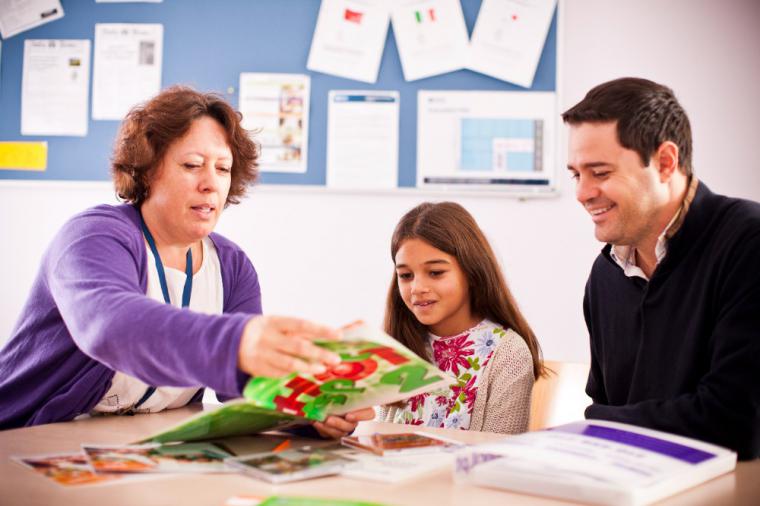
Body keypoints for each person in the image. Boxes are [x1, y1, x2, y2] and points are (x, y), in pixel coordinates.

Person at [0, 86, 373, 438]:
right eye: (193, 164)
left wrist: (311, 412)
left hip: (140, 452)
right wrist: (238, 343)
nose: (211, 183)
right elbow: (111, 327)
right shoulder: (93, 237)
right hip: (27, 438)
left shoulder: (232, 265)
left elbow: (247, 389)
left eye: (223, 169)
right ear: (146, 170)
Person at [563, 77, 760, 459]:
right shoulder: (604, 277)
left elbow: (738, 423)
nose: (582, 192)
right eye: (576, 173)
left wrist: (601, 422)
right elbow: (606, 410)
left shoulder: (747, 243)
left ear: (665, 163)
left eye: (600, 172)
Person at [376, 202, 545, 433]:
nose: (417, 287)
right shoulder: (400, 346)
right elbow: (380, 436)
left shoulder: (508, 354)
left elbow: (496, 459)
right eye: (405, 275)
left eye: (435, 273)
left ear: (471, 270)